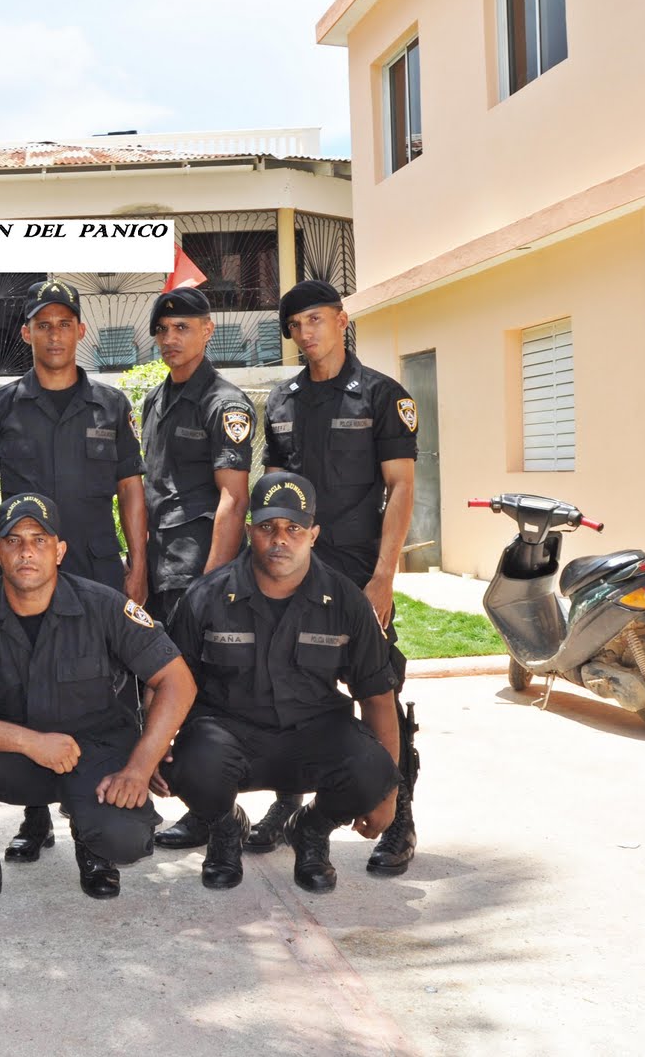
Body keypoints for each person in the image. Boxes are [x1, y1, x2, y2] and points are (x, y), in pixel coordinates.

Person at [0, 493, 196, 921]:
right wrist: (29, 742)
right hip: (17, 757)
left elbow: (176, 681)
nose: (27, 550)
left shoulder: (104, 605)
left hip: (96, 753)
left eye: (40, 539)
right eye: (13, 539)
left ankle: (91, 842)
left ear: (59, 550)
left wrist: (140, 766)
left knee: (125, 840)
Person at [0, 279, 149, 862]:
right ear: (26, 334)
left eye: (64, 323)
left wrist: (137, 565)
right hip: (24, 573)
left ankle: (95, 808)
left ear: (80, 331)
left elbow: (131, 491)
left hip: (96, 568)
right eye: (42, 324)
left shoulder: (111, 405)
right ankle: (35, 814)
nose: (53, 334)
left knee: (108, 688)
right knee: (26, 689)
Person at [161, 474, 401, 893]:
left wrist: (388, 792)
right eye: (267, 527)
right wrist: (154, 750)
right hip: (228, 733)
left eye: (294, 529)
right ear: (250, 529)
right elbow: (167, 683)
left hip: (315, 734)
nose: (280, 539)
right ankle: (224, 829)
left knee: (372, 771)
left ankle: (310, 830)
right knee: (189, 765)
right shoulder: (207, 596)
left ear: (313, 534)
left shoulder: (346, 601)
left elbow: (377, 696)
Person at [253, 280, 421, 876]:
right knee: (288, 683)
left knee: (379, 688)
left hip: (355, 567)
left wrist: (384, 577)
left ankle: (396, 815)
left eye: (317, 319)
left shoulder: (381, 396)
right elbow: (271, 496)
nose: (308, 332)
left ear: (343, 320)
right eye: (297, 324)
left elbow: (400, 487)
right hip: (292, 568)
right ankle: (288, 805)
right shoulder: (281, 402)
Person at [140, 288, 261, 854]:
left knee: (208, 695)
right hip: (162, 571)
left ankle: (218, 814)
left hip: (201, 576)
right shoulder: (156, 400)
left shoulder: (225, 404)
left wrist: (211, 586)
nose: (171, 339)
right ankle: (206, 809)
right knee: (169, 688)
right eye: (163, 331)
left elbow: (232, 500)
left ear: (208, 331)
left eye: (183, 328)